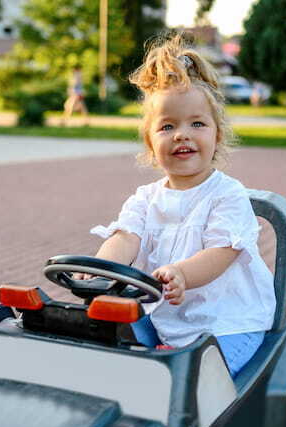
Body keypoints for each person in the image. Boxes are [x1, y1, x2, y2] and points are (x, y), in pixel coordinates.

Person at [84, 35, 276, 377]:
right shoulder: (145, 198)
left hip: (226, 324)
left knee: (197, 384)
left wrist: (183, 273)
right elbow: (125, 238)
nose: (181, 135)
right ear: (150, 141)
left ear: (217, 135)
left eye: (197, 124)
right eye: (167, 126)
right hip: (165, 317)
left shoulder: (227, 196)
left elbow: (220, 253)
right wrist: (99, 265)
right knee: (96, 338)